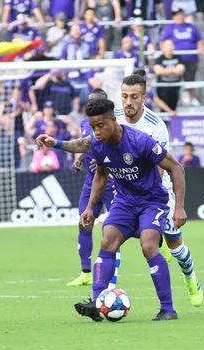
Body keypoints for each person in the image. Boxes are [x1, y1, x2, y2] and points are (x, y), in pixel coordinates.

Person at [38, 70, 204, 308]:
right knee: (110, 239)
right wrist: (63, 146)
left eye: (134, 97)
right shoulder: (111, 119)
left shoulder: (155, 127)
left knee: (175, 247)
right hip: (125, 193)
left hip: (157, 193)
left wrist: (171, 203)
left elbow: (163, 168)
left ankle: (191, 279)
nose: (128, 102)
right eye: (124, 96)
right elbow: (91, 145)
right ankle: (103, 300)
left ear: (144, 98)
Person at [67, 89, 120, 287]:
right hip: (91, 182)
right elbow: (86, 145)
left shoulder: (113, 124)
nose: (92, 105)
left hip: (111, 181)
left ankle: (111, 281)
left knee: (115, 229)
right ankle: (86, 272)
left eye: (96, 102)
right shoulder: (84, 123)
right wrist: (80, 159)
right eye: (90, 102)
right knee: (84, 222)